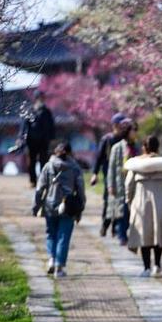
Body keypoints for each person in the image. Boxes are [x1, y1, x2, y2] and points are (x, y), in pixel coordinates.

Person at [124, 136, 162, 277]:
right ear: (157, 147)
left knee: (144, 235)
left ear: (144, 147)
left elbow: (128, 185)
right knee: (157, 233)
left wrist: (129, 201)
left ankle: (146, 268)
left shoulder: (135, 165)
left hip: (140, 202)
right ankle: (157, 265)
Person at [32, 141, 86, 278]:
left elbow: (39, 188)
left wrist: (36, 206)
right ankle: (59, 267)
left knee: (51, 233)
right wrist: (80, 208)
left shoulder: (48, 166)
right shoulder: (74, 168)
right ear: (70, 153)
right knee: (64, 236)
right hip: (68, 206)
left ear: (55, 152)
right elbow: (80, 190)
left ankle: (51, 259)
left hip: (50, 205)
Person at [91, 112, 127, 237]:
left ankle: (115, 228)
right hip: (109, 175)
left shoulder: (125, 140)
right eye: (121, 124)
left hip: (122, 176)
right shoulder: (107, 139)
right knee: (108, 201)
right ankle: (105, 224)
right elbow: (99, 158)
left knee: (120, 201)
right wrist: (95, 174)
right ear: (115, 125)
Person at [107, 119, 138, 247]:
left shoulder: (137, 146)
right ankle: (122, 235)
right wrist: (110, 184)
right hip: (120, 183)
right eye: (133, 130)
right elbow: (112, 167)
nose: (135, 133)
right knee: (122, 211)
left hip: (135, 183)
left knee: (133, 210)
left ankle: (130, 234)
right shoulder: (117, 147)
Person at [19, 90, 56, 187]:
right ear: (36, 98)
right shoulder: (30, 110)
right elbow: (24, 125)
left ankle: (42, 180)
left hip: (44, 140)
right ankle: (33, 180)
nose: (42, 99)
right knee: (32, 161)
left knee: (44, 161)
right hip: (31, 140)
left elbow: (51, 126)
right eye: (40, 97)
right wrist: (20, 137)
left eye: (43, 97)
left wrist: (52, 139)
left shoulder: (47, 111)